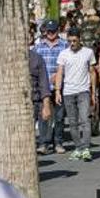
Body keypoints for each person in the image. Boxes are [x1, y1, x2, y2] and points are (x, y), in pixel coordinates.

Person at [55, 29, 97, 161]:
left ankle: (86, 148)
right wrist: (57, 91)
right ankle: (78, 147)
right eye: (69, 41)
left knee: (85, 120)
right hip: (68, 92)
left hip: (83, 91)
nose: (72, 43)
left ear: (80, 40)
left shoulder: (88, 53)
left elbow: (92, 72)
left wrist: (93, 92)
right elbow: (60, 73)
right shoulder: (63, 54)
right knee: (73, 123)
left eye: (74, 41)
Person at [34, 19, 68, 154]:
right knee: (44, 116)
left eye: (53, 31)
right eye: (48, 31)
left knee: (59, 116)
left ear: (57, 31)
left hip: (59, 86)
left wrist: (59, 75)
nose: (51, 34)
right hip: (43, 87)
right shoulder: (38, 47)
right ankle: (43, 143)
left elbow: (68, 64)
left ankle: (58, 142)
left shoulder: (64, 46)